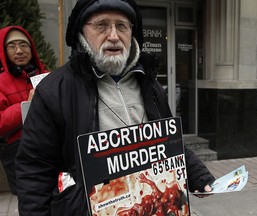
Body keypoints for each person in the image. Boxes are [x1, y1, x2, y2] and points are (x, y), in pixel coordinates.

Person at [15, 0, 215, 215]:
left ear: (132, 33)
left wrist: (196, 173)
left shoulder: (150, 85)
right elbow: (34, 169)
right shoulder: (54, 91)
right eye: (101, 25)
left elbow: (169, 142)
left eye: (122, 26)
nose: (113, 36)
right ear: (80, 33)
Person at [0, 26, 48, 195]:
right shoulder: (1, 82)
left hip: (52, 148)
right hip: (21, 154)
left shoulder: (47, 76)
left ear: (31, 48)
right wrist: (27, 104)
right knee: (32, 203)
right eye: (12, 46)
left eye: (23, 45)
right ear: (4, 51)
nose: (19, 50)